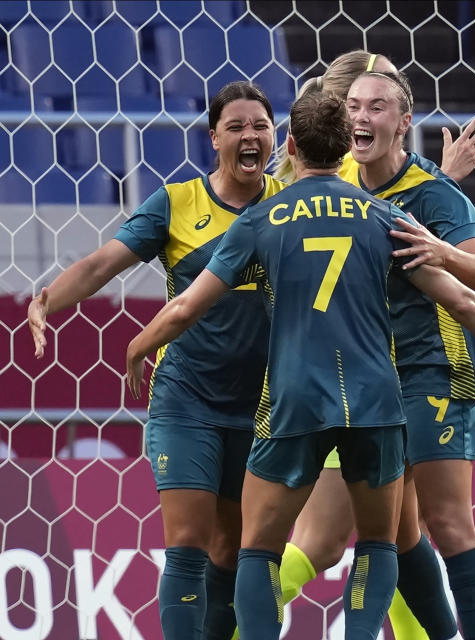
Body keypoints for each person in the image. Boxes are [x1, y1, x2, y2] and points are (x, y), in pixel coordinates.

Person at [123, 89, 475, 640]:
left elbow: (185, 307)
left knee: (258, 549)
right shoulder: (387, 218)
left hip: (296, 399)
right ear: (346, 146)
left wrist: (138, 345)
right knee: (380, 540)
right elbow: (464, 299)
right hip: (376, 400)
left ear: (290, 146)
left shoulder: (259, 220)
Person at [26, 81, 285, 639]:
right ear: (213, 137)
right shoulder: (175, 202)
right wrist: (49, 298)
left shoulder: (289, 205)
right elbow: (102, 265)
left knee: (234, 551)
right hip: (186, 397)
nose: (249, 136)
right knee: (188, 542)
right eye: (235, 126)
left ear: (275, 136)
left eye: (260, 126)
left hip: (266, 405)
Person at [266, 50, 475, 640]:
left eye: (378, 104)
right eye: (354, 105)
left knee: (434, 524)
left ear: (403, 117)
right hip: (363, 382)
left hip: (434, 372)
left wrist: (440, 245)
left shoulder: (433, 195)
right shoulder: (340, 191)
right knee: (390, 531)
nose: (363, 115)